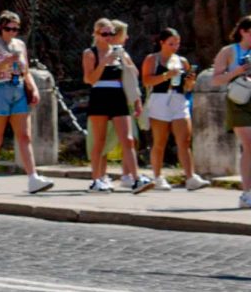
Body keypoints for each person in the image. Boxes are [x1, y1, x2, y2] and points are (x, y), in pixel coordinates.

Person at [0, 10, 51, 194]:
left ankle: (32, 177)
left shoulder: (20, 45)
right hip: (0, 89)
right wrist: (4, 63)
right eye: (9, 28)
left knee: (24, 136)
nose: (12, 32)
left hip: (18, 88)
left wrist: (32, 87)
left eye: (16, 29)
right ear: (1, 28)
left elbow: (25, 70)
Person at [81, 18, 145, 192]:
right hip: (99, 94)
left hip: (117, 95)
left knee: (128, 139)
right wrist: (104, 62)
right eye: (105, 34)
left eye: (111, 33)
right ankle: (96, 179)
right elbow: (89, 79)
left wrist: (124, 61)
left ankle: (136, 178)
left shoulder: (120, 52)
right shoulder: (90, 53)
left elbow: (133, 75)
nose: (109, 37)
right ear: (96, 34)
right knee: (99, 140)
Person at [140, 26, 203, 190]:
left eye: (177, 44)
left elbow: (188, 87)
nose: (175, 47)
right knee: (160, 141)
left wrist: (190, 81)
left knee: (184, 140)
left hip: (178, 98)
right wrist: (166, 75)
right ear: (162, 43)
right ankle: (158, 176)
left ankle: (190, 177)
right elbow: (146, 81)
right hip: (159, 99)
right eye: (171, 43)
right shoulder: (152, 59)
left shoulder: (182, 61)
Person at [216, 16, 251, 211]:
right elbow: (216, 80)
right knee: (249, 144)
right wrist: (236, 71)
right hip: (238, 101)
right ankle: (246, 193)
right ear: (243, 31)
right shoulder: (228, 51)